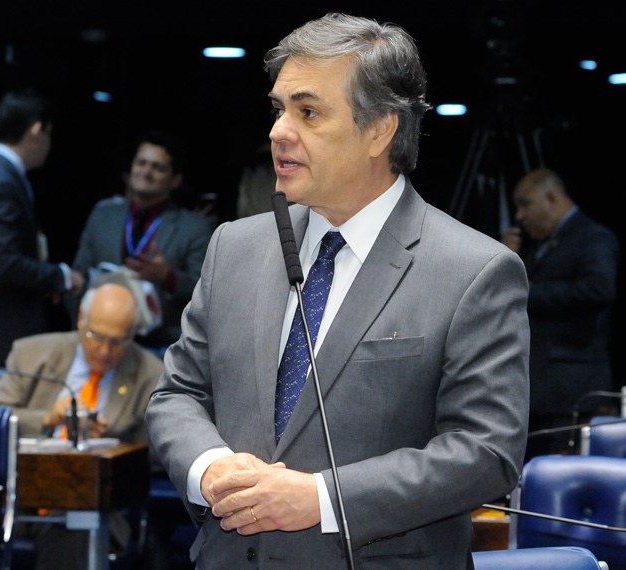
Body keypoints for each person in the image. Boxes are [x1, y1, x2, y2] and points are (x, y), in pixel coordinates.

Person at [145, 12, 530, 569]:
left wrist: (321, 499)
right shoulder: (234, 247)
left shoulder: (475, 270)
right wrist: (210, 468)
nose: (278, 131)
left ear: (380, 130)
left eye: (308, 112)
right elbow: (177, 394)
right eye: (278, 109)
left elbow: (486, 451)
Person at [0, 281, 164, 570]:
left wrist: (108, 444)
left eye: (117, 342)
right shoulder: (32, 354)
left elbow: (156, 452)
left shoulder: (151, 374)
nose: (104, 351)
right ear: (81, 320)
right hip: (19, 494)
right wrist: (47, 418)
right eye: (96, 337)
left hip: (93, 504)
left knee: (75, 523)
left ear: (133, 335)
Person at [0, 89, 84, 367]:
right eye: (49, 133)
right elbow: (6, 264)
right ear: (35, 131)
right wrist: (62, 276)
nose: (49, 143)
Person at [501, 168, 619, 458]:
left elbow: (599, 288)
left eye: (525, 204)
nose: (519, 216)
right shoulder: (543, 244)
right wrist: (508, 259)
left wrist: (530, 291)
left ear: (551, 198)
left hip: (571, 389)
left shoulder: (592, 237)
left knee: (557, 468)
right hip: (540, 389)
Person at [72, 130, 214, 352]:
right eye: (141, 163)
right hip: (101, 337)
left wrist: (167, 277)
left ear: (175, 180)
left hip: (160, 345)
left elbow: (208, 293)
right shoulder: (103, 214)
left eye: (158, 167)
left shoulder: (195, 227)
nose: (146, 172)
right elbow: (80, 273)